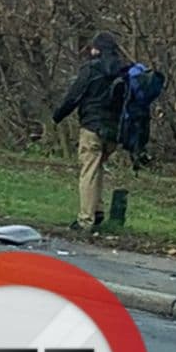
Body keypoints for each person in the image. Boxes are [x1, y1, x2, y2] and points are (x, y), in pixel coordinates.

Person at [52, 31, 130, 234]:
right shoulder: (124, 71)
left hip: (92, 127)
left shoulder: (91, 69)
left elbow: (73, 96)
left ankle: (85, 219)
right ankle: (98, 211)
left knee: (88, 171)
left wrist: (58, 116)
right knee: (97, 168)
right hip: (114, 132)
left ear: (97, 49)